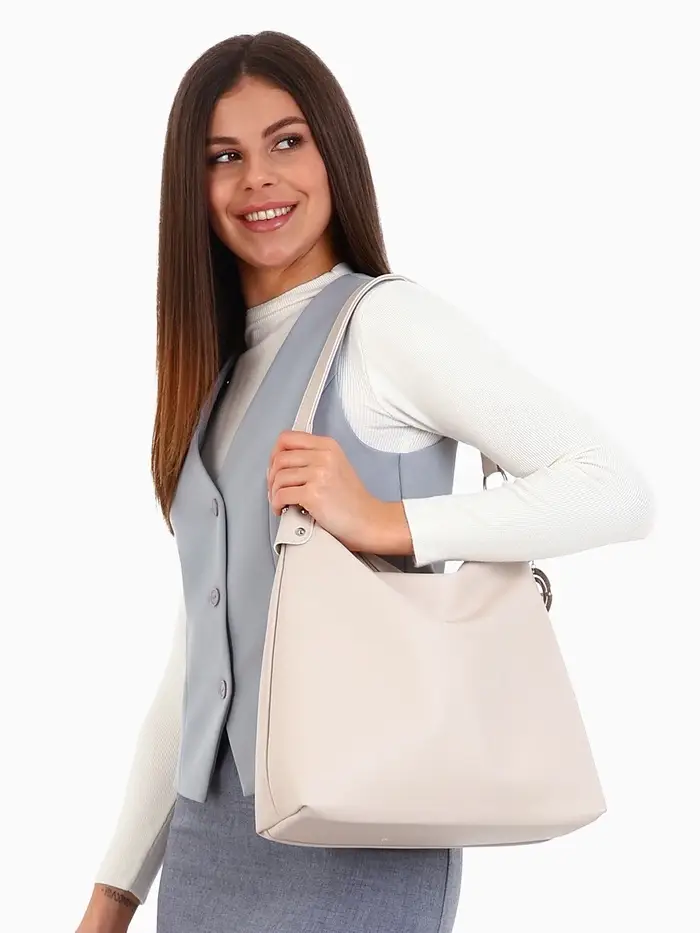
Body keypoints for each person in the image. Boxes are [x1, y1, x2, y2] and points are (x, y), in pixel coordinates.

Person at [75, 30, 655, 933]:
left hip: (361, 823)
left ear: (333, 153)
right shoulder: (218, 375)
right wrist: (116, 891)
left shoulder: (386, 324)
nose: (258, 178)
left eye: (287, 141)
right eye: (224, 156)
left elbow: (614, 486)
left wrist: (390, 520)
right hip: (207, 841)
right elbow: (198, 657)